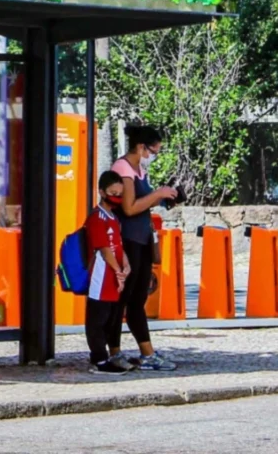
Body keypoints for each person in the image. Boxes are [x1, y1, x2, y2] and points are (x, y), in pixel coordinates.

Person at [108, 124, 179, 371]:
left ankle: (147, 352)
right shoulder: (123, 169)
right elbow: (129, 207)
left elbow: (142, 204)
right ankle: (115, 351)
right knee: (123, 298)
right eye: (153, 151)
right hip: (128, 241)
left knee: (137, 299)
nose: (153, 156)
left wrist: (162, 197)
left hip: (142, 239)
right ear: (141, 147)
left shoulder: (139, 170)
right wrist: (158, 193)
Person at [84, 170, 131, 375]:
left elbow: (118, 245)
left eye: (120, 194)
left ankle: (106, 356)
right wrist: (118, 269)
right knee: (98, 317)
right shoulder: (97, 218)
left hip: (114, 275)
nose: (117, 198)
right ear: (102, 192)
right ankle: (99, 359)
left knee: (111, 317)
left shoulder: (114, 217)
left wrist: (125, 266)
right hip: (101, 275)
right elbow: (104, 249)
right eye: (113, 193)